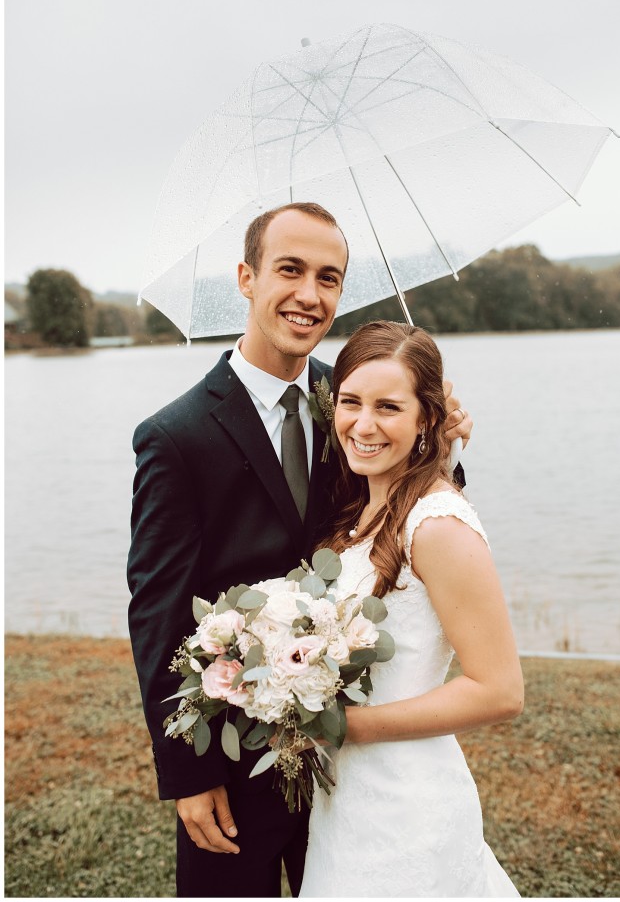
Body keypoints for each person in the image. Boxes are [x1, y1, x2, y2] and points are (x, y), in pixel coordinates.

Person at [127, 203, 473, 898]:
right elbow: (157, 614)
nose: (311, 296)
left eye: (330, 277)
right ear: (246, 278)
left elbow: (404, 510)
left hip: (349, 767)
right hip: (233, 757)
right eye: (290, 270)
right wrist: (188, 775)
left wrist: (445, 445)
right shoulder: (175, 436)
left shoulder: (350, 398)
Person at [299, 320, 523, 898]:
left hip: (408, 808)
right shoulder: (358, 512)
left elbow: (499, 690)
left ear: (427, 417)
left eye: (389, 407)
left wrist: (344, 727)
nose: (363, 425)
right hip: (345, 802)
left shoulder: (438, 525)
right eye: (350, 401)